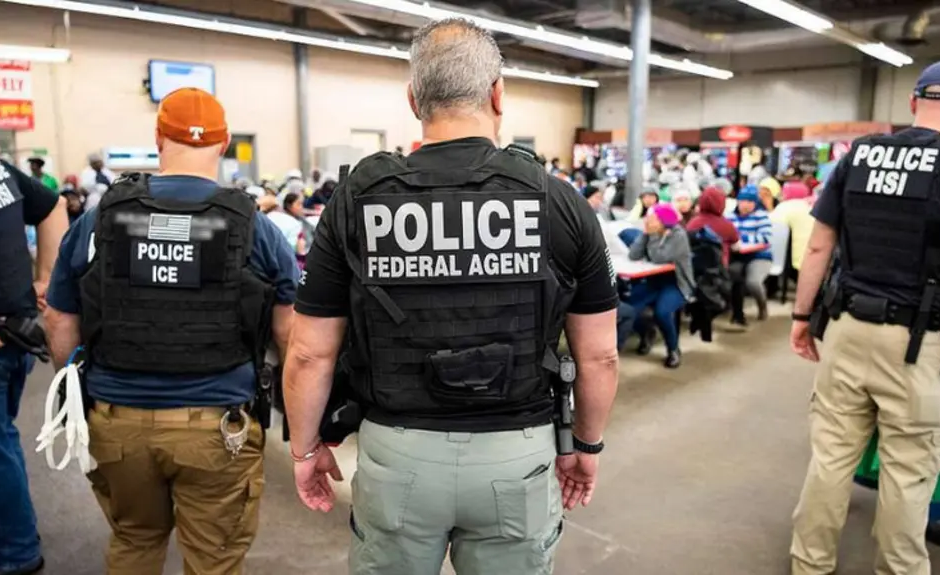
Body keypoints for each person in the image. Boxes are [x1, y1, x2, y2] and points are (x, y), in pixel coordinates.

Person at [282, 18, 619, 575]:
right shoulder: (560, 202)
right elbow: (599, 355)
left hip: (397, 452)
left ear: (415, 100)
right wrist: (586, 445)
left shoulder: (356, 201)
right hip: (518, 454)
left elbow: (309, 352)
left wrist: (303, 448)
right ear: (497, 94)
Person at [43, 87, 298, 575]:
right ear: (223, 145)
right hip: (217, 427)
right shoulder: (253, 225)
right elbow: (291, 332)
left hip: (117, 421)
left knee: (134, 540)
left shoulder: (100, 218)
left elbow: (58, 317)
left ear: (159, 137)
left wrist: (80, 389)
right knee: (214, 561)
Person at [788, 58, 940, 575]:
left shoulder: (860, 154)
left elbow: (819, 246)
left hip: (845, 329)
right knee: (909, 472)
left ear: (913, 103)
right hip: (923, 344)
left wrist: (800, 316)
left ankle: (808, 564)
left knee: (831, 457)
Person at [0, 140, 68, 575]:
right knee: (2, 440)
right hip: (16, 327)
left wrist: (46, 278)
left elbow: (51, 205)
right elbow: (51, 205)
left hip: (7, 331)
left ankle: (16, 553)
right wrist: (46, 277)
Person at [622, 203, 695, 368]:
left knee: (662, 312)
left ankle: (673, 349)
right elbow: (633, 255)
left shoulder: (678, 235)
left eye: (652, 218)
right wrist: (645, 235)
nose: (648, 221)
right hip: (653, 280)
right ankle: (646, 332)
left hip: (676, 283)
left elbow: (658, 257)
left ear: (663, 220)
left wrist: (651, 235)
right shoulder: (651, 232)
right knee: (628, 308)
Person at [727, 185, 773, 325]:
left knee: (753, 282)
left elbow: (766, 238)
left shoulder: (762, 216)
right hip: (738, 255)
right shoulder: (730, 216)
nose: (746, 205)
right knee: (732, 275)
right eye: (743, 201)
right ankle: (737, 313)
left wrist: (742, 239)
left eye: (750, 202)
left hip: (760, 256)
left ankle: (762, 306)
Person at [686, 187, 740, 267]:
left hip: (696, 268)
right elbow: (736, 247)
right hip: (720, 270)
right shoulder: (726, 225)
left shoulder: (692, 223)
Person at [770, 180, 816, 272]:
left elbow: (772, 225)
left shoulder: (785, 207)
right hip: (812, 257)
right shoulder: (810, 206)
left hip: (790, 260)